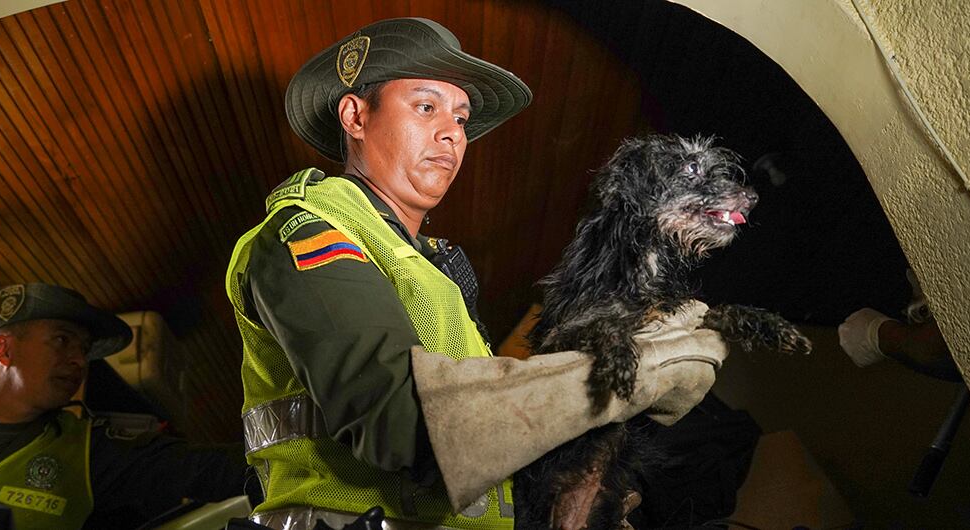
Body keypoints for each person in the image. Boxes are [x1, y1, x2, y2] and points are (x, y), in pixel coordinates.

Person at [225, 17, 729, 529]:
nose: (452, 133)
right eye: (426, 107)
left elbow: (485, 448)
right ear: (355, 116)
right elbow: (406, 425)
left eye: (462, 119)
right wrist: (615, 379)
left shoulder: (433, 270)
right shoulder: (310, 230)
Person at [0, 282, 249, 529]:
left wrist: (288, 454)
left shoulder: (92, 450)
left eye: (84, 350)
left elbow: (206, 469)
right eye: (62, 340)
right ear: (3, 349)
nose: (79, 361)